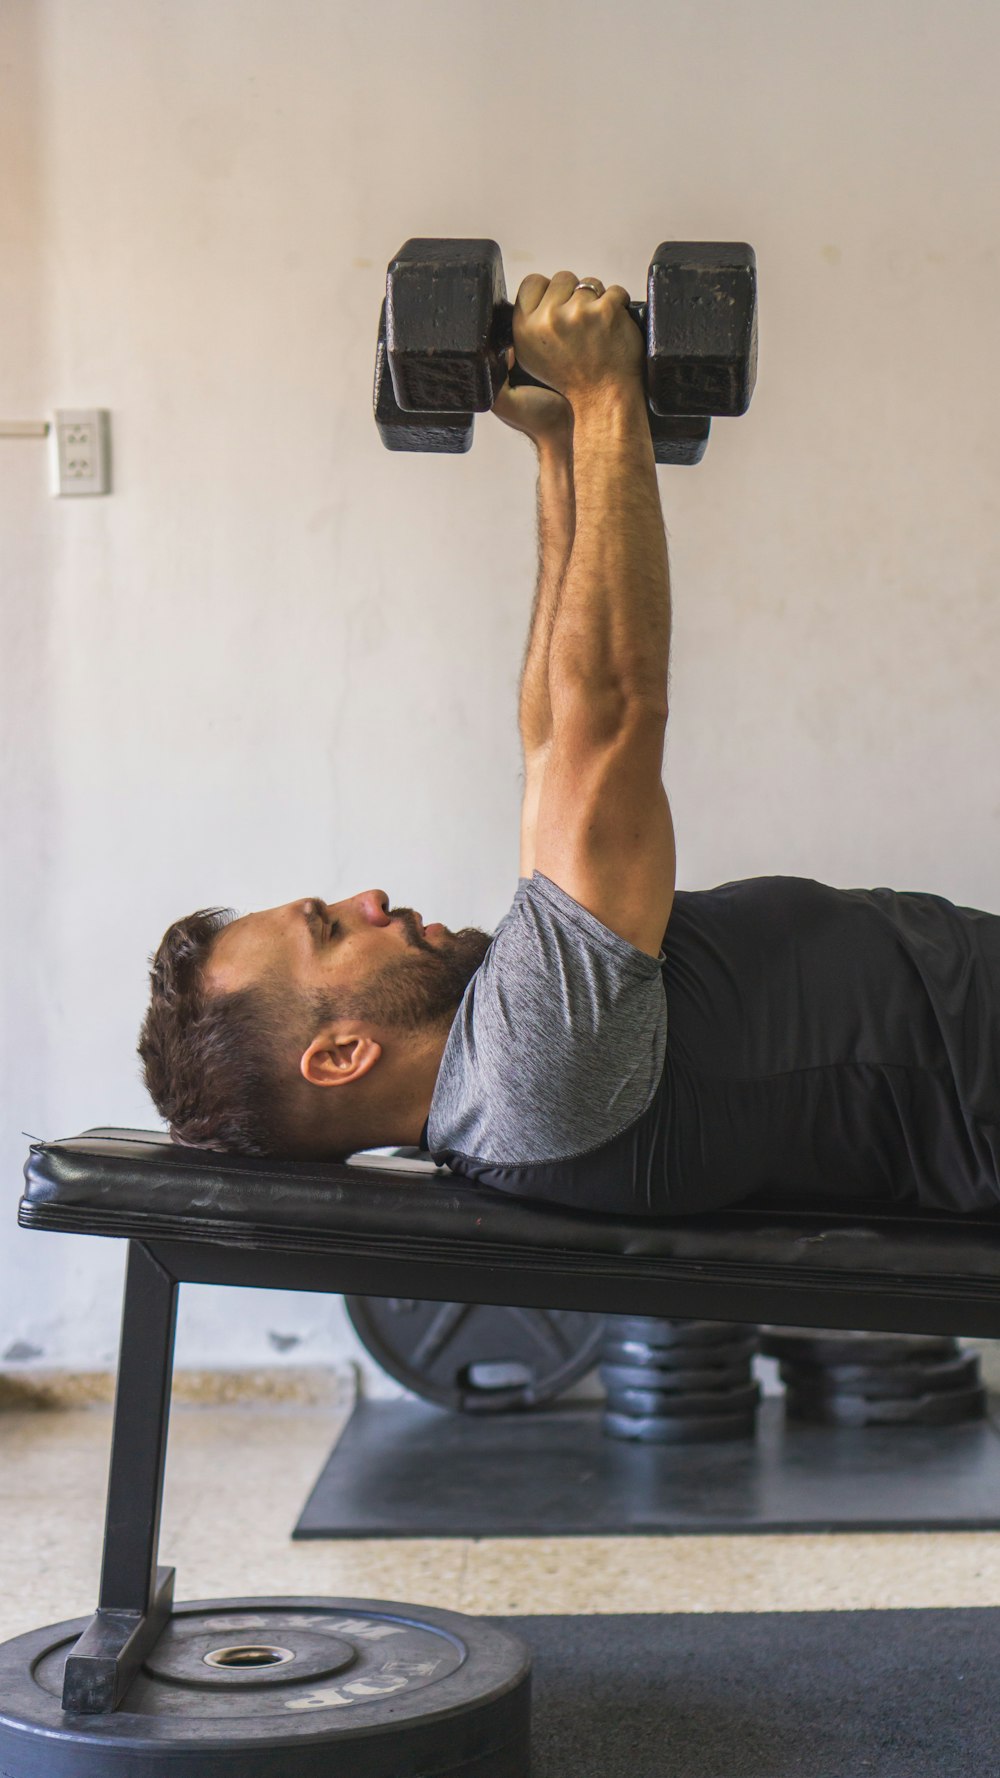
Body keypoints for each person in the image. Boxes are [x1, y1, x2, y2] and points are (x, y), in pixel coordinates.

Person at [139, 270, 1000, 1217]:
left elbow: (552, 742)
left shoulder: (493, 1078)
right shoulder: (528, 1071)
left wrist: (560, 453)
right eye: (331, 929)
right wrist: (602, 395)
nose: (368, 897)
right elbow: (613, 710)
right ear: (341, 1055)